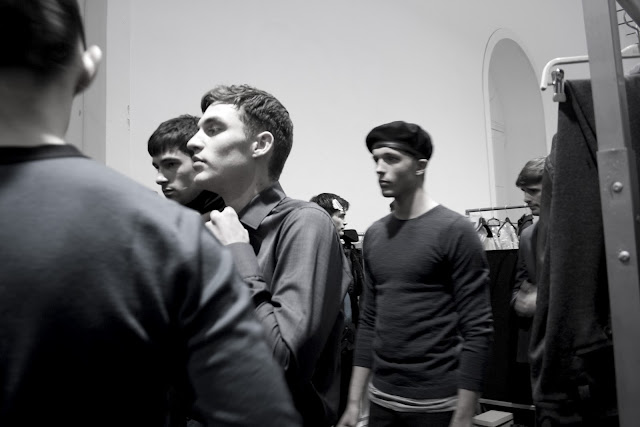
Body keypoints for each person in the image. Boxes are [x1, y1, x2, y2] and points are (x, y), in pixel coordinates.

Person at [0, 1, 301, 426]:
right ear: (87, 68)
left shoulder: (294, 224)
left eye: (213, 129)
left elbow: (285, 354)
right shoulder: (165, 233)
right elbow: (257, 413)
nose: (195, 144)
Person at [187, 84, 351, 427]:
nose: (192, 142)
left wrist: (237, 253)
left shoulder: (305, 223)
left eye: (213, 129)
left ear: (260, 145)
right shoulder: (207, 228)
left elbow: (282, 364)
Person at [337, 121, 493, 427]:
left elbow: (478, 328)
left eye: (391, 159)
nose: (379, 168)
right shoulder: (376, 234)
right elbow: (369, 321)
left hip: (438, 404)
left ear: (420, 166)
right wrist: (354, 404)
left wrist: (464, 414)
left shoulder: (454, 231)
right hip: (382, 400)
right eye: (376, 159)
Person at [310, 193, 365, 416]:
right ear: (323, 216)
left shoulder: (347, 252)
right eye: (340, 216)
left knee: (346, 408)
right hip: (323, 348)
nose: (345, 221)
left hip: (348, 343)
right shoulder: (310, 252)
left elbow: (357, 294)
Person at [510, 156, 545, 404]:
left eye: (532, 191)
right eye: (524, 191)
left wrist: (541, 299)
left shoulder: (582, 232)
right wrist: (520, 302)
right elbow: (517, 288)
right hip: (538, 349)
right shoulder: (527, 237)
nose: (525, 198)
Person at [148, 114, 225, 218]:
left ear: (200, 161)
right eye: (157, 167)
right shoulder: (170, 218)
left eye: (171, 164)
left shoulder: (234, 220)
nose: (159, 179)